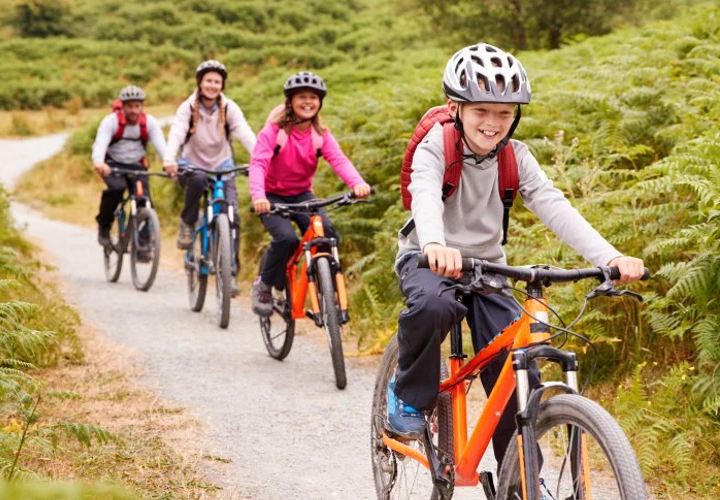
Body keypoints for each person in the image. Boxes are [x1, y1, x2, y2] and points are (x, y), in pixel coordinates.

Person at [389, 43, 645, 469]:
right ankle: (409, 396)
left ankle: (521, 478)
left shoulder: (515, 156)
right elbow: (424, 193)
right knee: (433, 305)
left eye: (504, 113)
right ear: (456, 107)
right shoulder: (436, 146)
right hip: (427, 258)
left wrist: (612, 257)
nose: (493, 123)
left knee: (516, 367)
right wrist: (434, 243)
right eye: (481, 111)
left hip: (487, 267)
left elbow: (556, 207)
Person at [249, 71, 371, 316]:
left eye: (313, 97)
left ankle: (330, 293)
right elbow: (258, 164)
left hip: (302, 194)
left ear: (320, 102)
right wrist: (259, 197)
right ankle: (263, 284)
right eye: (301, 96)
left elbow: (339, 160)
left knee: (327, 234)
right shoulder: (274, 132)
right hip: (271, 196)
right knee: (286, 239)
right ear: (290, 102)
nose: (308, 102)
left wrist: (358, 184)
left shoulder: (320, 134)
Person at [163, 60, 256, 297]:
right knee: (197, 180)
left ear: (222, 85)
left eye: (217, 81)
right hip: (191, 164)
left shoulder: (229, 107)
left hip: (223, 165)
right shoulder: (188, 107)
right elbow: (176, 132)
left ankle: (230, 274)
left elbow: (244, 132)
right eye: (209, 81)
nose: (213, 85)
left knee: (232, 215)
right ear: (200, 83)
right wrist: (169, 159)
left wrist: (260, 158)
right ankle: (187, 222)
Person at [92, 85, 167, 255]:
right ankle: (104, 226)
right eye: (130, 106)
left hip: (136, 166)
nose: (134, 110)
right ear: (123, 106)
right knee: (116, 189)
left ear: (142, 106)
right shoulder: (111, 121)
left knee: (144, 200)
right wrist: (99, 163)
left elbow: (162, 147)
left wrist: (170, 164)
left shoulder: (149, 123)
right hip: (113, 165)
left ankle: (143, 245)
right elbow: (100, 143)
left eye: (137, 106)